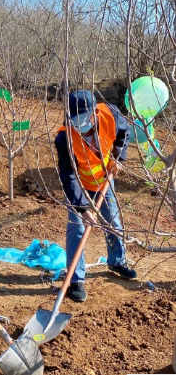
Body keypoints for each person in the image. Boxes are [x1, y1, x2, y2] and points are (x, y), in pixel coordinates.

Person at [55, 90, 137, 303]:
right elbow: (68, 174)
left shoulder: (110, 114)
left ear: (93, 113)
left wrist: (119, 157)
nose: (80, 124)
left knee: (113, 222)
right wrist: (82, 208)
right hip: (79, 187)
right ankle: (76, 279)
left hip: (103, 180)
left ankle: (117, 261)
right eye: (75, 120)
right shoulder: (65, 137)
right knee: (77, 229)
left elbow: (124, 132)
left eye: (84, 118)